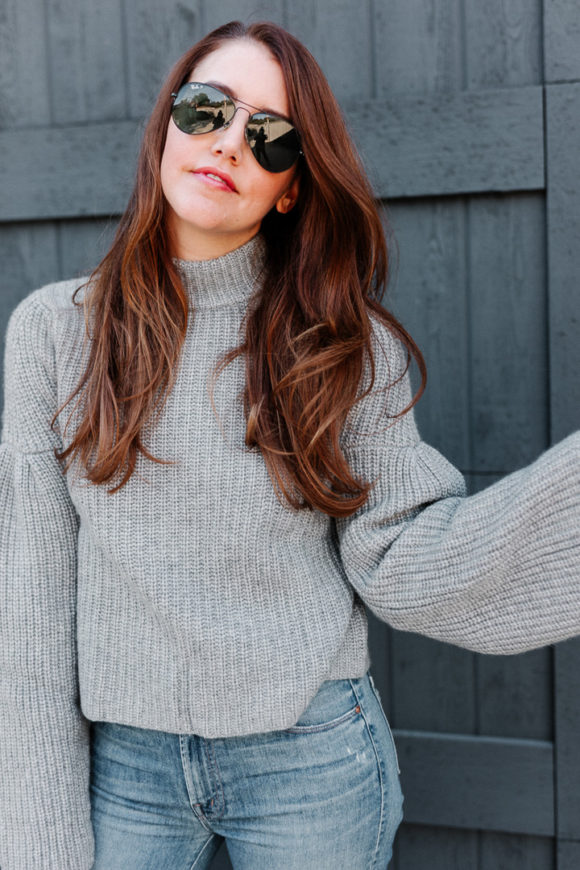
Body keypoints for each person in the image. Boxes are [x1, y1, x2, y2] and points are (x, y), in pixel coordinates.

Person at [0, 18, 578, 870]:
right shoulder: (56, 333)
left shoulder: (345, 344)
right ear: (167, 125)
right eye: (207, 109)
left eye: (270, 136)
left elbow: (405, 555)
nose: (230, 142)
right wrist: (37, 842)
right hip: (125, 767)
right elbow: (32, 605)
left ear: (293, 189)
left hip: (308, 759)